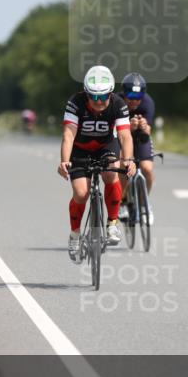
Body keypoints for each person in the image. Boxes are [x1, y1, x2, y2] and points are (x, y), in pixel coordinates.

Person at [58, 65, 135, 260]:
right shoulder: (75, 103)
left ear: (110, 93)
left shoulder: (118, 104)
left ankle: (112, 223)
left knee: (111, 173)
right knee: (81, 193)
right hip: (80, 149)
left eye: (103, 97)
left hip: (106, 146)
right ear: (86, 93)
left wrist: (128, 160)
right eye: (94, 97)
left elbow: (125, 136)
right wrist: (64, 161)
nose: (99, 102)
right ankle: (75, 234)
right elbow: (68, 135)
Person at [117, 73, 157, 224]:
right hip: (120, 137)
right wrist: (128, 127)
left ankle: (144, 203)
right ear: (124, 93)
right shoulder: (116, 101)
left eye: (138, 97)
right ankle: (122, 201)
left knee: (147, 169)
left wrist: (144, 127)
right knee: (124, 167)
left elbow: (149, 131)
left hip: (140, 138)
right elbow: (111, 130)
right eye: (131, 96)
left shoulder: (148, 103)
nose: (135, 101)